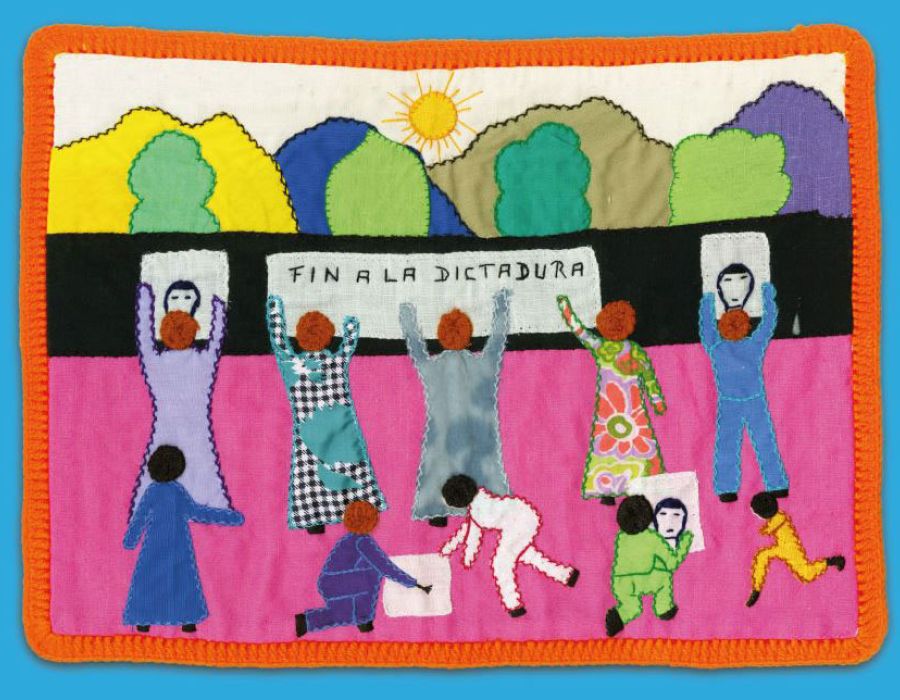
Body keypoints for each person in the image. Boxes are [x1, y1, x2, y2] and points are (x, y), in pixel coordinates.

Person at [266, 296, 385, 533]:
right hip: (342, 435)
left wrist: (275, 313)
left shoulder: (293, 367)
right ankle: (357, 513)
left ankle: (314, 521)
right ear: (328, 335)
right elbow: (348, 345)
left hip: (309, 439)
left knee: (309, 475)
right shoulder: (336, 363)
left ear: (300, 338)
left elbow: (280, 345)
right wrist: (350, 327)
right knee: (351, 472)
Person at [399, 290, 511, 526]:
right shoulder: (484, 366)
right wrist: (501, 306)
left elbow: (417, 351)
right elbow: (497, 342)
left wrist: (407, 316)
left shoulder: (432, 369)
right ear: (468, 335)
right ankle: (487, 511)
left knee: (438, 467)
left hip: (442, 440)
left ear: (441, 337)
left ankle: (437, 514)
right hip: (480, 440)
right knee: (485, 471)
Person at [131, 283, 233, 519]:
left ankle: (146, 512)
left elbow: (144, 341)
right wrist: (218, 308)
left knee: (157, 475)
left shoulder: (155, 364)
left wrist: (145, 299)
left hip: (165, 429)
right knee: (204, 465)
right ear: (194, 330)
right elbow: (216, 340)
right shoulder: (204, 363)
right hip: (197, 431)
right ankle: (212, 509)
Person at [557, 295, 666, 505]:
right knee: (637, 446)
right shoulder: (635, 352)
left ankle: (607, 490)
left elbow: (580, 332)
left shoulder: (602, 348)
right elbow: (649, 378)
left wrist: (566, 310)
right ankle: (638, 487)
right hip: (632, 410)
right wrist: (657, 401)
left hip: (609, 411)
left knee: (606, 447)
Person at [123, 445, 244, 633]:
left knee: (150, 578)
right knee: (182, 577)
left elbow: (140, 517)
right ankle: (187, 622)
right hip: (177, 543)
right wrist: (230, 517)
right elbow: (197, 512)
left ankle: (143, 621)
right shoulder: (176, 491)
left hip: (154, 544)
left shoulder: (153, 492)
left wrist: (131, 540)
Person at [699, 280, 789, 502]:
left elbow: (707, 328)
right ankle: (777, 485)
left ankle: (726, 489)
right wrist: (767, 296)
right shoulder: (754, 345)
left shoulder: (717, 347)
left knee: (727, 444)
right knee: (764, 441)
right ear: (747, 325)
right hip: (753, 399)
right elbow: (768, 324)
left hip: (729, 402)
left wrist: (708, 300)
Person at [440, 475, 579, 617]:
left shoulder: (479, 508)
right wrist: (453, 551)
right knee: (526, 554)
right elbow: (468, 532)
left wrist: (465, 556)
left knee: (501, 563)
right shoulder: (478, 505)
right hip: (520, 520)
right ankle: (566, 574)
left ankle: (513, 605)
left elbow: (470, 533)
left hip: (520, 521)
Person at [296, 501, 431, 636]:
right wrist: (412, 583)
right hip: (340, 584)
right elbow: (384, 566)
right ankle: (363, 621)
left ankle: (308, 622)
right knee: (372, 574)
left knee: (343, 611)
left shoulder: (349, 539)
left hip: (331, 583)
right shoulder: (363, 541)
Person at [606, 495, 693, 637]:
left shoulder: (621, 537)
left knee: (632, 607)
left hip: (620, 582)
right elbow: (671, 563)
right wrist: (685, 542)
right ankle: (664, 608)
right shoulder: (652, 538)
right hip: (644, 579)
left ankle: (619, 617)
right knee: (664, 577)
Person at [746, 492, 845, 608]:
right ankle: (756, 589)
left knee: (806, 573)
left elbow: (768, 530)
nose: (758, 516)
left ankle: (831, 561)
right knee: (762, 556)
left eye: (757, 514)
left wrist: (761, 531)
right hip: (781, 547)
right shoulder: (776, 517)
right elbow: (768, 528)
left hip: (792, 550)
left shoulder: (780, 518)